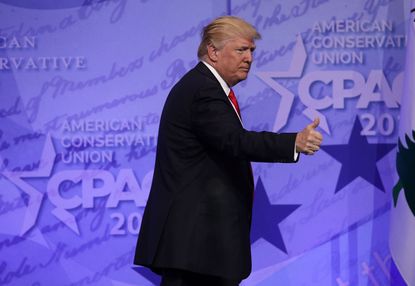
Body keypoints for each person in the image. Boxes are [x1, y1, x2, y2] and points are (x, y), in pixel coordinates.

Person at [134, 16, 323, 286]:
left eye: (251, 51)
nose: (249, 58)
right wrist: (292, 143)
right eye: (240, 50)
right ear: (213, 51)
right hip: (196, 247)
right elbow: (235, 141)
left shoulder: (205, 87)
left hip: (203, 248)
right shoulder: (203, 90)